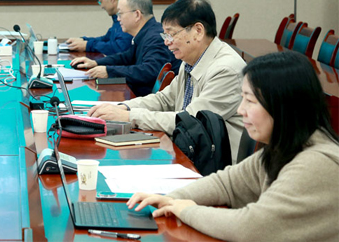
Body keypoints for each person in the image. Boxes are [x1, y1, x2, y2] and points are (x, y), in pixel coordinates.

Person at [127, 51, 339, 241]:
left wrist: (187, 210)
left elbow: (252, 228)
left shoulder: (316, 164)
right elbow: (227, 183)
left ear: (284, 105)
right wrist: (171, 199)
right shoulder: (286, 146)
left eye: (250, 101)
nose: (240, 110)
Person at [88, 0, 246, 160]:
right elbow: (164, 99)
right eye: (165, 35)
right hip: (190, 150)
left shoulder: (225, 70)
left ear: (198, 31)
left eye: (171, 34)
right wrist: (123, 107)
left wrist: (130, 117)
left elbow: (191, 121)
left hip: (214, 164)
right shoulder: (191, 59)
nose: (167, 42)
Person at [70, 0, 180, 96]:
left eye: (120, 13)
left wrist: (109, 71)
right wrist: (96, 63)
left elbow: (150, 71)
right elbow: (126, 57)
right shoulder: (146, 33)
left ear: (137, 14)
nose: (118, 19)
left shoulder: (155, 37)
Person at [65, 0, 132, 55]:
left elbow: (120, 47)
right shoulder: (116, 18)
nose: (101, 6)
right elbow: (106, 39)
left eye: (100, 2)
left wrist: (87, 45)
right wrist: (83, 40)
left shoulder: (127, 18)